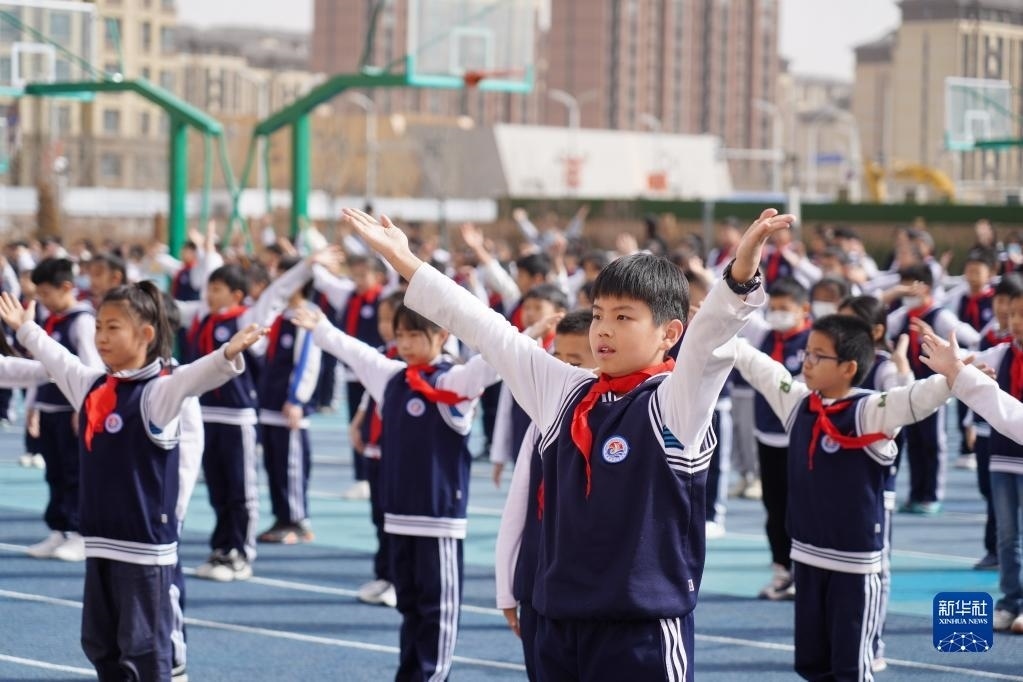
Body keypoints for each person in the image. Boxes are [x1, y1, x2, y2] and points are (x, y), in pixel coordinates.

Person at [337, 205, 792, 680]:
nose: (604, 330)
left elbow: (708, 343)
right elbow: (485, 328)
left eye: (624, 317)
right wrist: (406, 261)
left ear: (669, 333)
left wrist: (739, 276)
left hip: (640, 631)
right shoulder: (566, 390)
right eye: (598, 315)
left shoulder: (675, 403)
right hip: (557, 623)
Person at [0, 285, 264, 681]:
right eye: (98, 327)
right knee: (101, 646)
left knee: (144, 652)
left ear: (145, 334)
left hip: (144, 554)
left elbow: (193, 377)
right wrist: (26, 329)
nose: (102, 337)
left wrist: (227, 353)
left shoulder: (159, 392)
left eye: (113, 328)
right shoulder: (92, 385)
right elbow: (59, 359)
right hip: (100, 545)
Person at [733, 313, 951, 680]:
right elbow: (762, 369)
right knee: (812, 664)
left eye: (819, 356)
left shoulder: (870, 410)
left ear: (849, 368)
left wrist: (956, 376)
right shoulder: (800, 403)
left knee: (851, 667)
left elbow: (917, 398)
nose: (807, 362)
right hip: (806, 557)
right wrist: (719, 326)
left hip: (854, 565)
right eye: (807, 353)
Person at [292, 297, 499, 680]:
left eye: (414, 336)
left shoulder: (453, 381)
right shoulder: (393, 378)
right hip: (398, 516)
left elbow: (495, 360)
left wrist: (532, 334)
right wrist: (321, 328)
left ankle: (432, 675)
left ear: (441, 336)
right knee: (409, 606)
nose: (404, 344)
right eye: (400, 335)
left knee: (437, 608)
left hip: (438, 520)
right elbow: (355, 353)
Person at [496, 309, 596, 682]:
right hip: (536, 585)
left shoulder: (621, 422)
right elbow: (517, 508)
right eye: (558, 360)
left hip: (590, 590)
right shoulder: (541, 425)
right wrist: (507, 589)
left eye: (576, 363)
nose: (563, 371)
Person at [26, 257, 104, 561]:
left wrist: (83, 406)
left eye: (46, 293)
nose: (42, 300)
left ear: (66, 287)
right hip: (48, 407)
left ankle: (80, 532)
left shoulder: (81, 320)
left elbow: (91, 366)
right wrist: (32, 405)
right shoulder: (50, 320)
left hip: (70, 410)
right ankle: (59, 528)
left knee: (76, 473)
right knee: (54, 472)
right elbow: (39, 366)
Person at [887, 264, 980, 513]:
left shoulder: (939, 316)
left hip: (936, 388)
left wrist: (938, 342)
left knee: (933, 441)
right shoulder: (902, 316)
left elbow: (972, 337)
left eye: (911, 286)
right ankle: (916, 493)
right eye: (903, 286)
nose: (907, 292)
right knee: (914, 441)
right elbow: (879, 326)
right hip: (909, 387)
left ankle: (931, 495)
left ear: (926, 288)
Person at [748, 276, 813, 599]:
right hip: (767, 434)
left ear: (804, 309)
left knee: (801, 507)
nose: (777, 314)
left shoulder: (813, 341)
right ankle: (780, 570)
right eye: (773, 308)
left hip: (798, 435)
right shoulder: (765, 336)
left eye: (784, 308)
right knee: (773, 508)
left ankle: (805, 572)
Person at [256, 257, 323, 544]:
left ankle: (297, 520)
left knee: (291, 465)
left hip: (289, 406)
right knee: (274, 465)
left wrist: (297, 399)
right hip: (269, 403)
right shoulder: (277, 316)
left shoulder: (307, 316)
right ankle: (282, 517)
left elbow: (308, 361)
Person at [348, 290, 403, 608]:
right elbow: (370, 394)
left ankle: (399, 579)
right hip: (374, 448)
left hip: (396, 451)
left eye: (390, 320)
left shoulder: (409, 359)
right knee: (379, 515)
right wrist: (358, 423)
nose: (384, 326)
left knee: (395, 517)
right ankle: (384, 574)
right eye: (381, 319)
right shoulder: (383, 354)